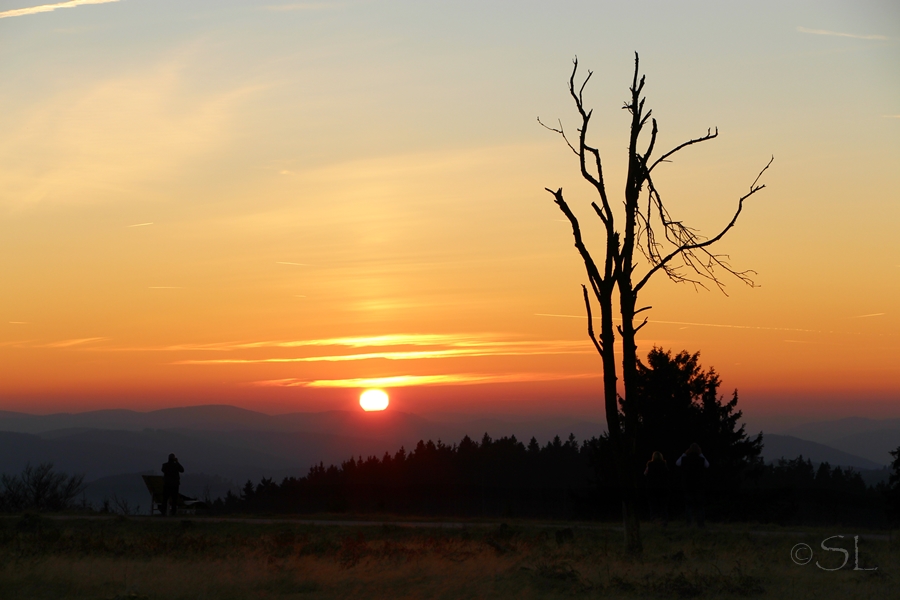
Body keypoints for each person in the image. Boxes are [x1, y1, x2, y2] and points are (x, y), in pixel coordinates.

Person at [676, 443, 709, 527]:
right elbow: (707, 465)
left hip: (687, 486)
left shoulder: (685, 459)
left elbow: (677, 463)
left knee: (689, 507)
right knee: (699, 507)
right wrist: (701, 454)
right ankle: (700, 524)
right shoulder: (701, 459)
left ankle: (689, 524)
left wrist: (684, 453)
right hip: (699, 486)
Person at [644, 451, 670, 525]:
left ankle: (654, 521)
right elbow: (667, 474)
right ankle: (664, 521)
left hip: (651, 488)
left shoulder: (650, 464)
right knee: (663, 505)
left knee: (653, 506)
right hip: (663, 487)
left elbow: (645, 473)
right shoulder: (664, 464)